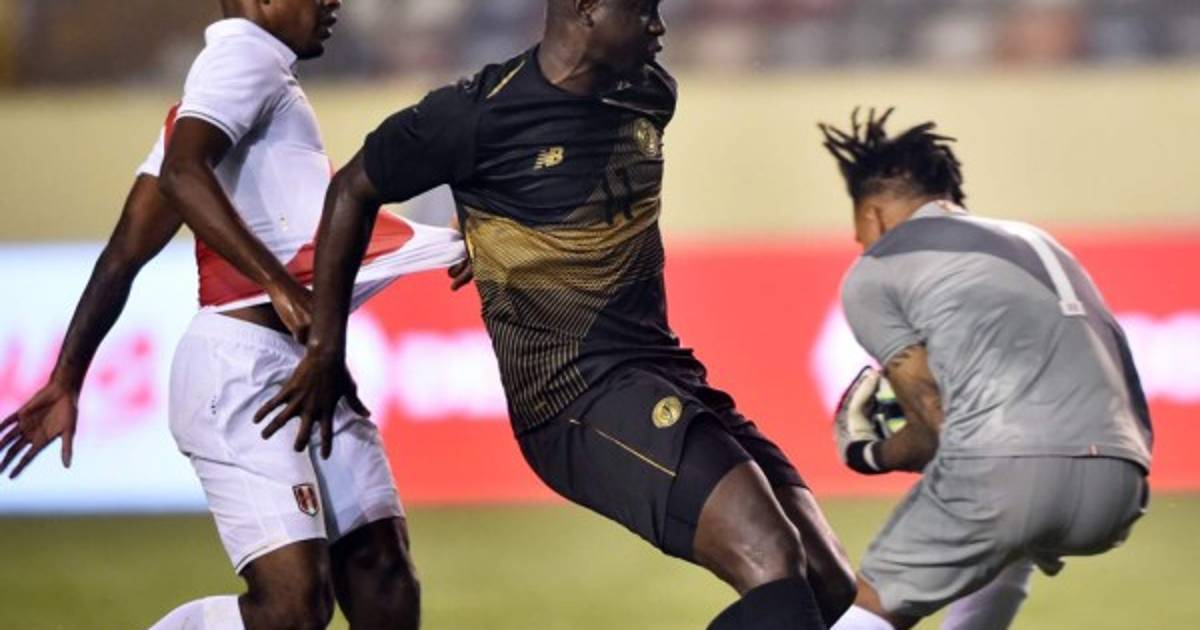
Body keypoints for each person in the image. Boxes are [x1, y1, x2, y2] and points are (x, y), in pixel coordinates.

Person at [259, 1, 856, 628]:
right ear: (586, 8)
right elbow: (352, 189)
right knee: (770, 556)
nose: (659, 26)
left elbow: (554, 185)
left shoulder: (650, 93)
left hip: (663, 369)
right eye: (642, 10)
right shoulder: (477, 114)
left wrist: (494, 226)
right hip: (574, 397)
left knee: (828, 582)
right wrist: (326, 345)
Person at [0, 1, 466, 629]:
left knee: (383, 578)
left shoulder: (228, 92)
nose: (333, 2)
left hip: (308, 368)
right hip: (240, 373)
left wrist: (67, 377)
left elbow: (125, 250)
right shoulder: (243, 56)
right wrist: (278, 286)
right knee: (294, 609)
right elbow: (181, 176)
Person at [819, 109, 1153, 630]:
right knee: (1004, 552)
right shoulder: (1043, 244)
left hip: (1006, 472)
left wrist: (872, 453)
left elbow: (934, 418)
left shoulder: (876, 268)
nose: (859, 241)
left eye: (858, 228)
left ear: (874, 216)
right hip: (1121, 483)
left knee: (876, 604)